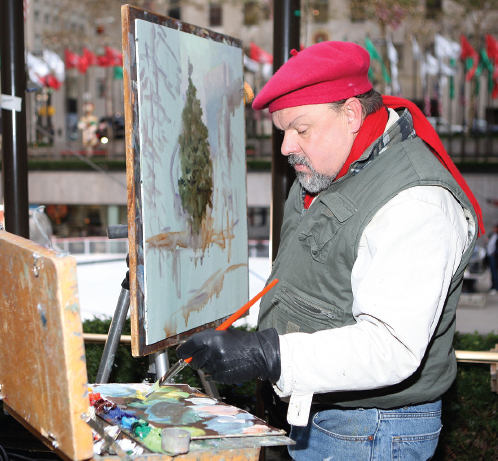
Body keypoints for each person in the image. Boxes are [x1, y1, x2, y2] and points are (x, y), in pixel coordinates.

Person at [176, 41, 483, 460]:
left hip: (372, 430)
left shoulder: (417, 203)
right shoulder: (334, 163)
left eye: (301, 129)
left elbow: (391, 347)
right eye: (283, 130)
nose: (287, 146)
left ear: (352, 114)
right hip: (330, 413)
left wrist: (267, 353)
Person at [487, 223, 498, 295]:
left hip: (495, 256)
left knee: (495, 273)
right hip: (490, 256)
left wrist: (495, 253)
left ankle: (496, 288)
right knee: (492, 272)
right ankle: (493, 286)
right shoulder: (492, 235)